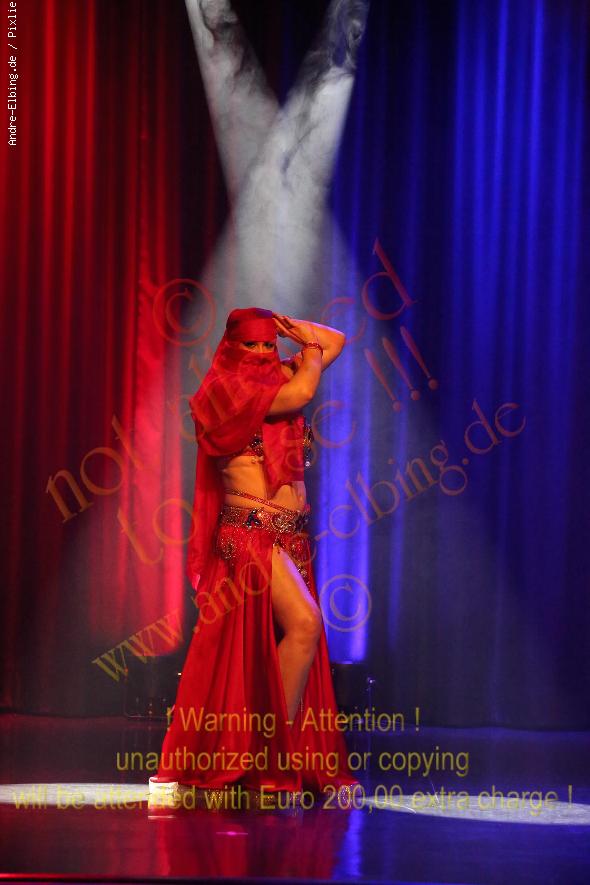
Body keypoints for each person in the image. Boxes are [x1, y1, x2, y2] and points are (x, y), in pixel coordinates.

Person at [149, 306, 359, 806]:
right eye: (253, 344)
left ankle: (262, 752)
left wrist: (294, 330)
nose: (264, 353)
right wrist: (308, 349)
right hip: (249, 534)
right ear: (230, 347)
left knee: (276, 645)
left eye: (270, 345)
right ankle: (267, 754)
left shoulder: (277, 378)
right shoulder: (223, 393)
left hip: (290, 537)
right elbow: (304, 390)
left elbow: (336, 340)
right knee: (305, 624)